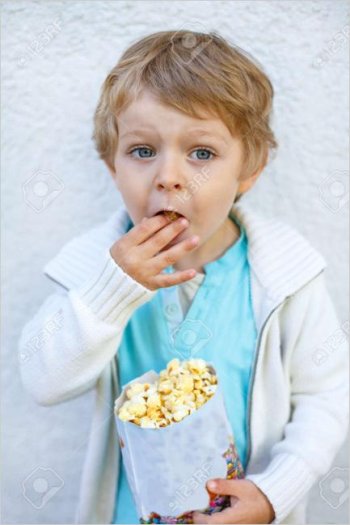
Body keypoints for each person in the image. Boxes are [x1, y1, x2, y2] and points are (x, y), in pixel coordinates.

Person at [18, 30, 349, 524]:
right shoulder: (93, 266)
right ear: (113, 166)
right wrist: (113, 288)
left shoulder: (287, 272)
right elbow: (43, 380)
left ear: (249, 169)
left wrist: (275, 493)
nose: (169, 177)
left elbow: (328, 397)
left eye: (201, 154)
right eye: (143, 151)